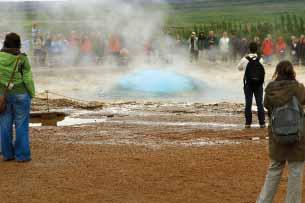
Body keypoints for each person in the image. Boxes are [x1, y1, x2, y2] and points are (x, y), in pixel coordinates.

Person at [257, 61, 305, 203]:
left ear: (277, 72)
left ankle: (264, 201)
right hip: (297, 138)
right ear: (292, 72)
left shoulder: (270, 89)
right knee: (295, 172)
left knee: (274, 170)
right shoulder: (299, 88)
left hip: (277, 137)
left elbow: (266, 105)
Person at [0, 32, 35, 162]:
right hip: (21, 94)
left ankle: (7, 154)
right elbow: (27, 78)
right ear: (18, 44)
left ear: (5, 43)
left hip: (2, 96)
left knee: (4, 125)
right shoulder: (22, 58)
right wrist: (31, 93)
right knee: (21, 125)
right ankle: (22, 156)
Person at [237, 42, 265, 128]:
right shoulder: (260, 59)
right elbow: (263, 71)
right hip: (259, 84)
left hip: (248, 84)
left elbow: (239, 68)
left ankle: (248, 123)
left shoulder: (245, 59)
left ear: (249, 49)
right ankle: (262, 123)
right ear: (257, 49)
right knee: (259, 103)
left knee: (248, 103)